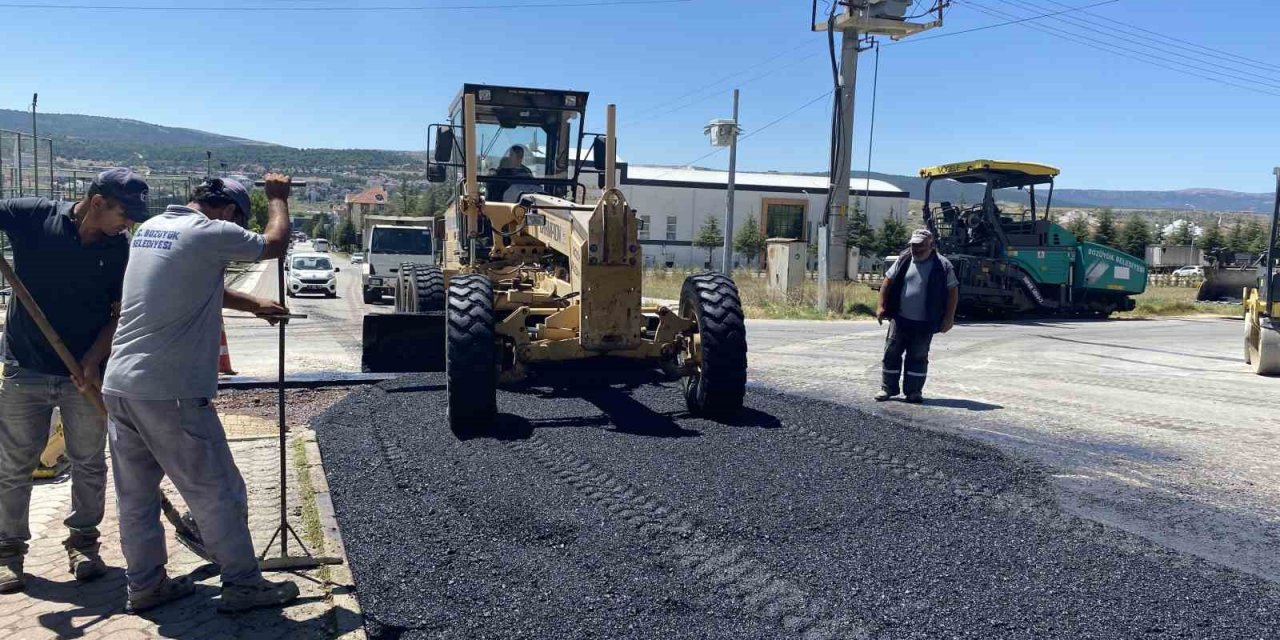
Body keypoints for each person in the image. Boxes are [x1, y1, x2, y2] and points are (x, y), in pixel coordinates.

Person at [101, 174, 295, 614]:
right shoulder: (211, 231)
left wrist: (253, 304)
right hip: (170, 391)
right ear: (228, 212)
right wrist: (278, 199)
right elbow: (274, 244)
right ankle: (244, 585)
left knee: (136, 498)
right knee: (218, 491)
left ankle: (146, 586)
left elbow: (194, 284)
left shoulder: (150, 229)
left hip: (121, 386)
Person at [0, 168, 151, 593]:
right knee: (14, 465)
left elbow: (117, 314)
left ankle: (83, 544)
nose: (130, 222)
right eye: (126, 212)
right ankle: (8, 553)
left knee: (89, 463)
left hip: (84, 375)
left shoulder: (119, 250)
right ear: (97, 201)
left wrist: (92, 359)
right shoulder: (33, 216)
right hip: (25, 367)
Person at [875, 228, 959, 403]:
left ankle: (914, 392)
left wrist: (949, 318)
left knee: (918, 357)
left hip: (924, 322)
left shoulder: (942, 266)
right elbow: (887, 282)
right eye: (914, 245)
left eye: (920, 246)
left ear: (931, 245)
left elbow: (952, 291)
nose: (916, 249)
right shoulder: (904, 259)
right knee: (891, 354)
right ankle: (887, 388)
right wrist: (881, 306)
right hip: (900, 319)